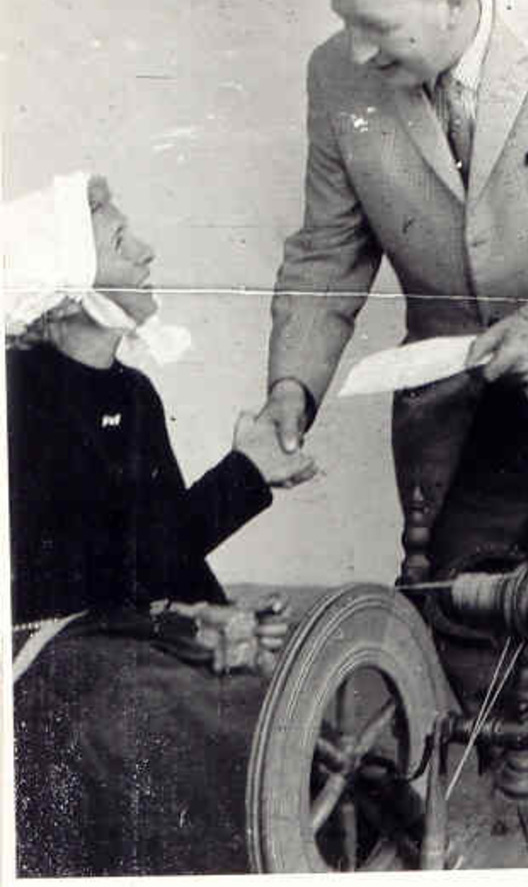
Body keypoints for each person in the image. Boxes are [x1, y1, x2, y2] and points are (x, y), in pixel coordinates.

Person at [261, 0, 528, 710]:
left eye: (376, 27)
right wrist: (291, 386)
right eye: (346, 23)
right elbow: (328, 247)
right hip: (455, 412)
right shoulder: (336, 75)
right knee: (458, 628)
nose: (358, 50)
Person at [6, 174, 315, 876]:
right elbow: (103, 570)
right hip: (50, 660)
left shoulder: (133, 392)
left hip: (116, 641)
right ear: (66, 286)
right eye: (121, 242)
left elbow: (162, 552)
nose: (146, 251)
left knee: (271, 694)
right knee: (215, 727)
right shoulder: (18, 396)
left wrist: (220, 616)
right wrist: (246, 475)